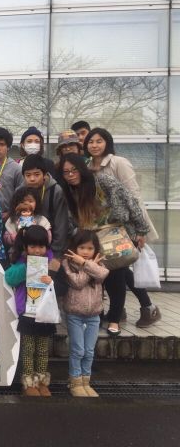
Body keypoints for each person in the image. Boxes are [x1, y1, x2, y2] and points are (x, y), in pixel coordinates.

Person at [57, 154, 150, 336]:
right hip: (91, 241)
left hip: (114, 236)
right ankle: (97, 316)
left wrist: (141, 229)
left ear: (82, 169)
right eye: (66, 172)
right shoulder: (68, 191)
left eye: (74, 170)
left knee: (116, 277)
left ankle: (114, 320)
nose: (71, 175)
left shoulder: (101, 180)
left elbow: (130, 201)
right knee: (95, 278)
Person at [83, 127, 161, 327]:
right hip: (103, 229)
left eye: (99, 141)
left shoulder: (118, 162)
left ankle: (143, 308)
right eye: (91, 141)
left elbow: (133, 195)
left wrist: (140, 230)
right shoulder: (88, 167)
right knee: (114, 268)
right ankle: (133, 309)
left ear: (107, 143)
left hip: (124, 226)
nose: (94, 145)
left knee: (118, 268)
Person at [4, 225, 55, 396]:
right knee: (28, 350)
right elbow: (9, 278)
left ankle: (41, 381)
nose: (37, 251)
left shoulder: (52, 263)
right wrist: (28, 268)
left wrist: (51, 282)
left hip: (45, 314)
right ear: (26, 247)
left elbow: (62, 284)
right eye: (32, 246)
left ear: (46, 246)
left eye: (41, 246)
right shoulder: (21, 263)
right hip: (27, 313)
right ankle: (28, 382)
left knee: (43, 349)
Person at [62, 230, 109, 398]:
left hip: (94, 315)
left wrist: (86, 264)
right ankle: (75, 382)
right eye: (82, 247)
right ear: (74, 247)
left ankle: (85, 382)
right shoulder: (67, 263)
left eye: (90, 248)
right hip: (74, 313)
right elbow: (78, 282)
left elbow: (103, 274)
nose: (86, 252)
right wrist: (86, 265)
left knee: (89, 351)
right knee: (78, 350)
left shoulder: (99, 263)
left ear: (96, 249)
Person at [20, 154, 71, 271]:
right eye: (28, 175)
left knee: (48, 279)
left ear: (44, 174)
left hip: (50, 249)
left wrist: (56, 254)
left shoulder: (55, 191)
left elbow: (61, 224)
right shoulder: (20, 191)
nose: (32, 179)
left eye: (37, 174)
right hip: (27, 250)